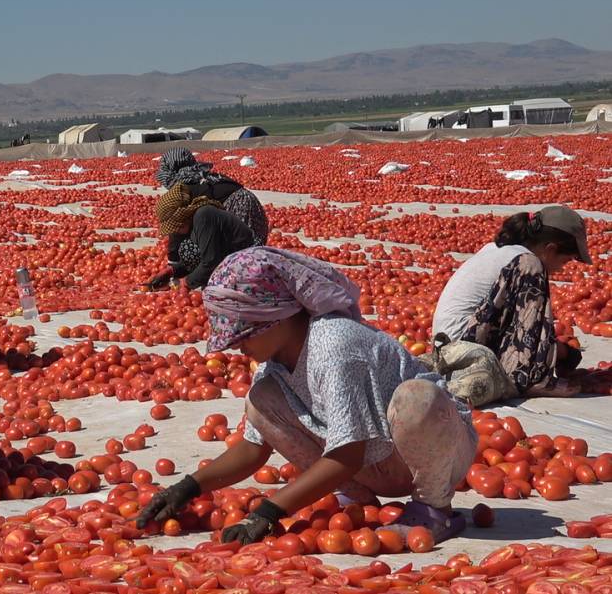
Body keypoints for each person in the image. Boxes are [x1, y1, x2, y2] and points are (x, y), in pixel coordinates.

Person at [137, 247, 477, 546]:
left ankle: (434, 508)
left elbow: (348, 455)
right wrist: (188, 488)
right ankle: (358, 499)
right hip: (376, 462)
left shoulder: (334, 345)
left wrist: (270, 511)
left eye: (244, 333)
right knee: (260, 400)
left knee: (416, 399)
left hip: (436, 451)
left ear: (277, 318)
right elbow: (253, 448)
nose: (238, 346)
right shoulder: (274, 365)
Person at [437, 207, 591, 398]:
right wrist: (542, 363)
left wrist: (560, 352)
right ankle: (529, 379)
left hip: (444, 348)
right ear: (550, 249)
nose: (561, 268)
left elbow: (509, 323)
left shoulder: (498, 248)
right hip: (465, 352)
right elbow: (525, 325)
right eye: (566, 261)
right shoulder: (528, 262)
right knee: (532, 269)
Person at [154, 148, 269, 276]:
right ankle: (246, 265)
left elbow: (177, 228)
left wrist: (173, 267)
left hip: (236, 208)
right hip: (251, 207)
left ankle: (233, 272)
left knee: (193, 249)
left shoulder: (183, 187)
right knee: (245, 251)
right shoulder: (200, 175)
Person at [148, 183, 255, 289]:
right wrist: (172, 270)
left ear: (183, 217)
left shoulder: (203, 216)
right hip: (226, 257)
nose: (175, 231)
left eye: (176, 227)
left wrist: (185, 282)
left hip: (244, 262)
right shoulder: (194, 222)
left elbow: (210, 261)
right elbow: (198, 258)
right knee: (187, 249)